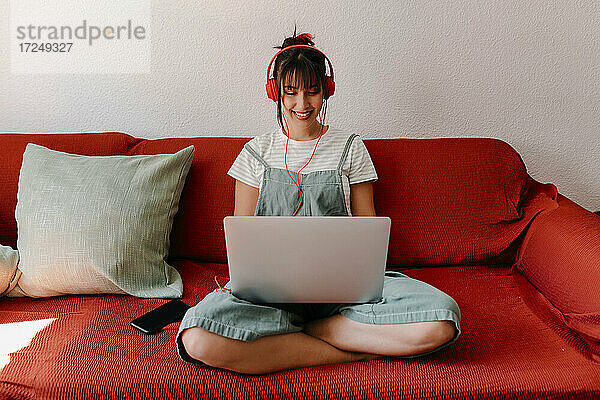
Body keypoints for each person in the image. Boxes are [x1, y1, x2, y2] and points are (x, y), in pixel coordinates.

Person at [176, 30, 461, 375]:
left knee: (442, 322)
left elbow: (368, 233)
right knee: (197, 339)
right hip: (269, 298)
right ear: (275, 92)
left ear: (327, 89)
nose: (302, 104)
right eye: (291, 92)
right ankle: (348, 348)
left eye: (312, 91)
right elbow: (242, 241)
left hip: (345, 295)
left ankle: (309, 333)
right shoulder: (255, 154)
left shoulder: (350, 148)